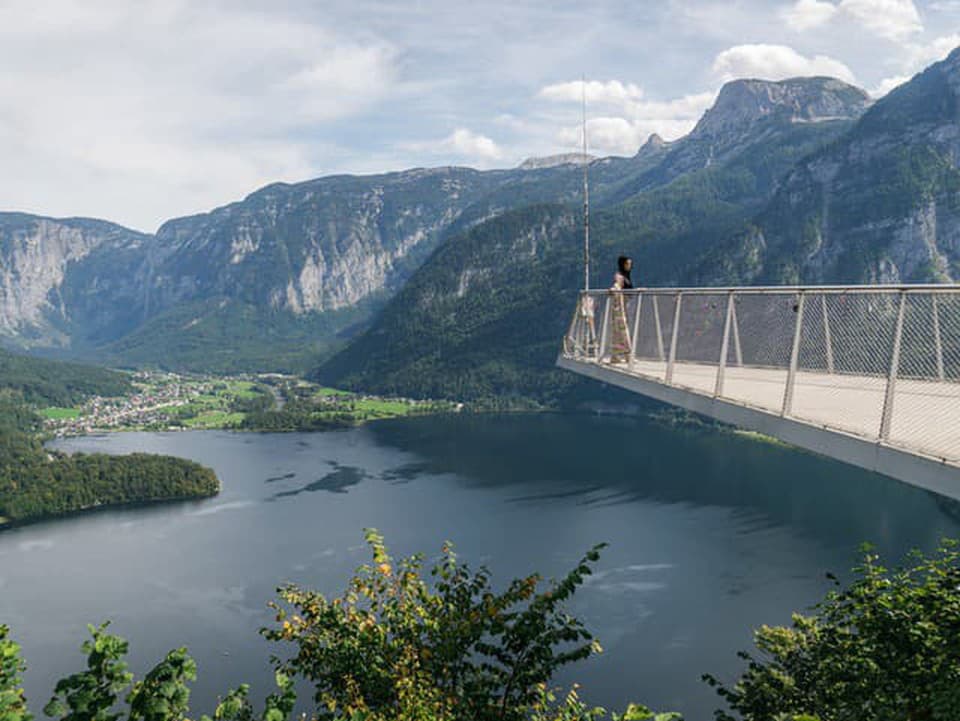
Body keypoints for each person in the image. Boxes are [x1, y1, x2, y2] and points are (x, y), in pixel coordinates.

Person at [608, 256, 633, 363]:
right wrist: (614, 289)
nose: (629, 266)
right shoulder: (620, 275)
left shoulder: (627, 275)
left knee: (618, 332)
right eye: (627, 264)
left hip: (626, 305)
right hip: (621, 307)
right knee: (622, 330)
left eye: (630, 264)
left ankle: (615, 356)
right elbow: (617, 284)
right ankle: (628, 355)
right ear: (622, 264)